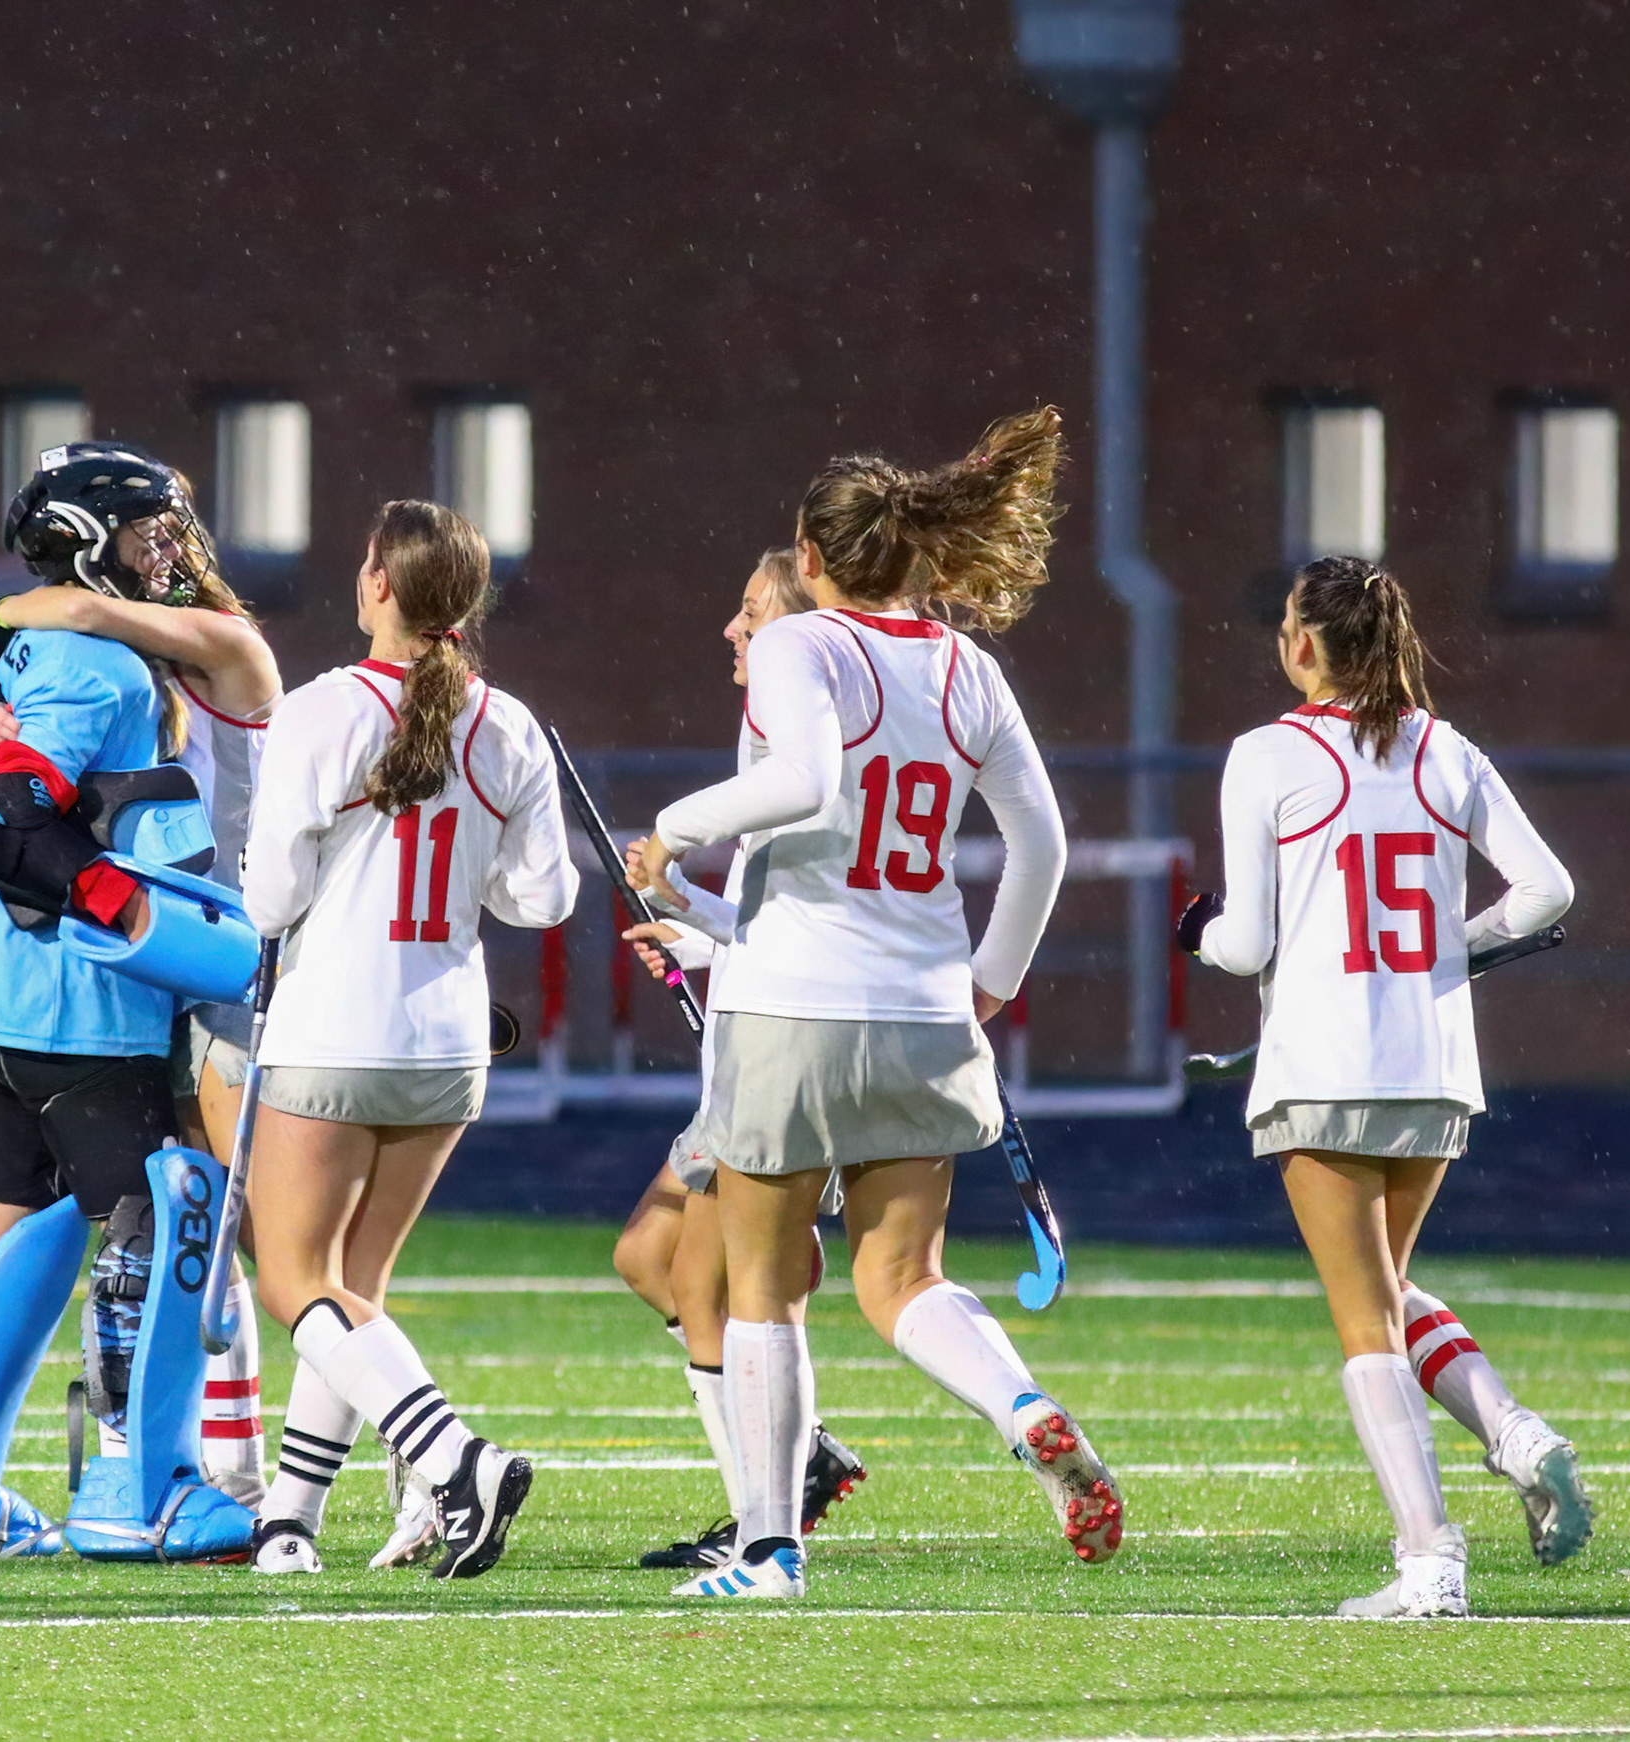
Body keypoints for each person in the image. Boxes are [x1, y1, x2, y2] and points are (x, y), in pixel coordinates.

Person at [634, 410, 1120, 1601]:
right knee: (903, 1276)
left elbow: (804, 783)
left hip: (793, 1008)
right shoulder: (968, 669)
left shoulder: (802, 642)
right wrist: (991, 979)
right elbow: (1044, 844)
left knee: (761, 1289)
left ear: (811, 556)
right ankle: (1024, 1407)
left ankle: (768, 1551)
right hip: (924, 1010)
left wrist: (675, 830)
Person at [0, 442, 257, 1561]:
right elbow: (3, 824)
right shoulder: (106, 667)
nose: (165, 551)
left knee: (3, 1228)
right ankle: (139, 1487)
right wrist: (123, 906)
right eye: (143, 532)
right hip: (82, 1000)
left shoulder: (65, 643)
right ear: (87, 543)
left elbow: (19, 755)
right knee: (161, 1218)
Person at [1177, 554, 1586, 1619]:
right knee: (1389, 1289)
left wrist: (1199, 932)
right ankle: (1515, 1434)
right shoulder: (1448, 749)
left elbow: (1246, 941)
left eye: (1286, 621)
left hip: (1325, 1063)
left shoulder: (1267, 753)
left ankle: (1430, 1562)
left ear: (1307, 644)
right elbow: (1548, 889)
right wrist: (1458, 946)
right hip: (1434, 1067)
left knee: (1365, 1320)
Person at [240, 499, 577, 1580]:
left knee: (295, 1281)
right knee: (353, 1293)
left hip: (336, 1026)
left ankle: (453, 1456)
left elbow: (268, 899)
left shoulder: (319, 709)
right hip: (446, 1041)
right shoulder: (508, 723)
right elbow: (542, 899)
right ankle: (289, 1523)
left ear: (378, 582)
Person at [0, 507, 282, 1507]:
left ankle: (390, 1461)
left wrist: (5, 624)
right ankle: (230, 1467)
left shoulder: (224, 641)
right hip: (171, 965)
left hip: (236, 956)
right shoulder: (138, 672)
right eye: (147, 533)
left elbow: (61, 611)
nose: (166, 553)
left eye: (170, 534)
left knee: (280, 1245)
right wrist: (5, 719)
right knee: (208, 1227)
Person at [614, 548, 866, 1571]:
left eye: (752, 612)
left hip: (780, 1052)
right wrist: (695, 925)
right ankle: (795, 1460)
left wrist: (677, 850)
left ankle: (761, 1519)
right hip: (745, 1048)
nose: (732, 628)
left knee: (705, 1278)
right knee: (648, 1257)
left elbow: (820, 925)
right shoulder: (775, 733)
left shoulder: (804, 755)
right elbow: (772, 915)